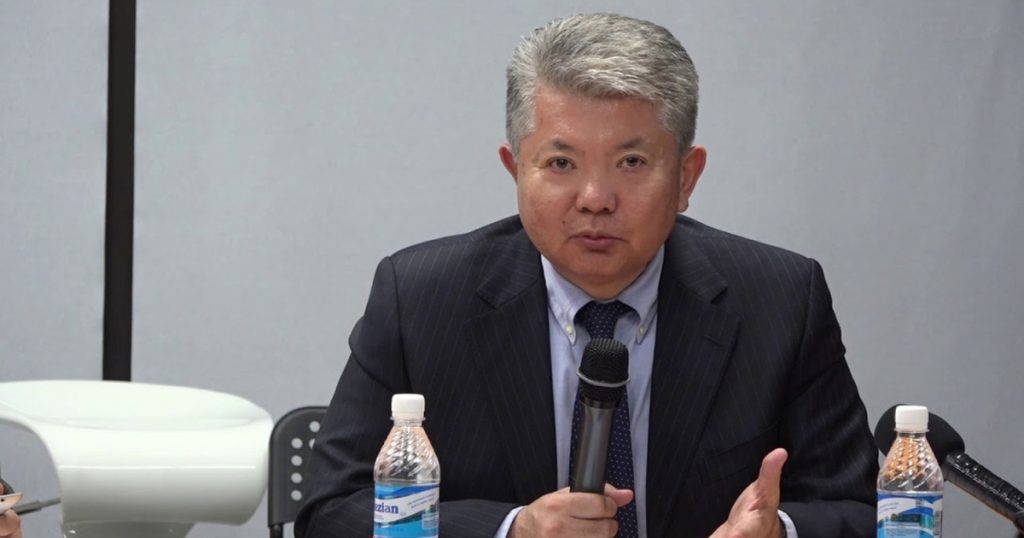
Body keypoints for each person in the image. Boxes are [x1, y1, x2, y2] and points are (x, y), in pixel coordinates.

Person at [296, 12, 877, 538]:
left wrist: (778, 533)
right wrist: (512, 531)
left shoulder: (780, 300)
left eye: (631, 162)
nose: (595, 198)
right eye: (561, 163)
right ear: (515, 170)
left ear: (686, 178)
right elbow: (330, 513)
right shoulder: (421, 298)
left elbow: (863, 511)